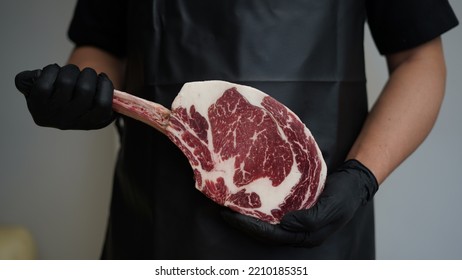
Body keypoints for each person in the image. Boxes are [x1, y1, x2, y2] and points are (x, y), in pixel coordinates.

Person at [15, 0, 458, 259]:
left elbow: (419, 60)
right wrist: (77, 92)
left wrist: (362, 177)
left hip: (316, 223)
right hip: (158, 224)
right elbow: (100, 46)